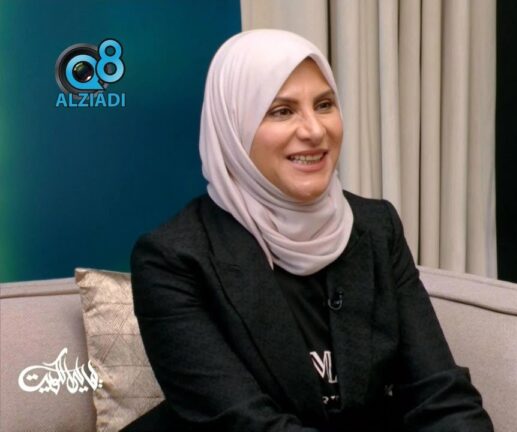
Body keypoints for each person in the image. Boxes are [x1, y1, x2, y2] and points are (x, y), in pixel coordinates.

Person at [124, 29, 494, 432]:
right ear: (233, 128)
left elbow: (440, 393)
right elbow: (244, 423)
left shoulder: (376, 227)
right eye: (282, 111)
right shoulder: (173, 258)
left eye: (324, 104)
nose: (315, 130)